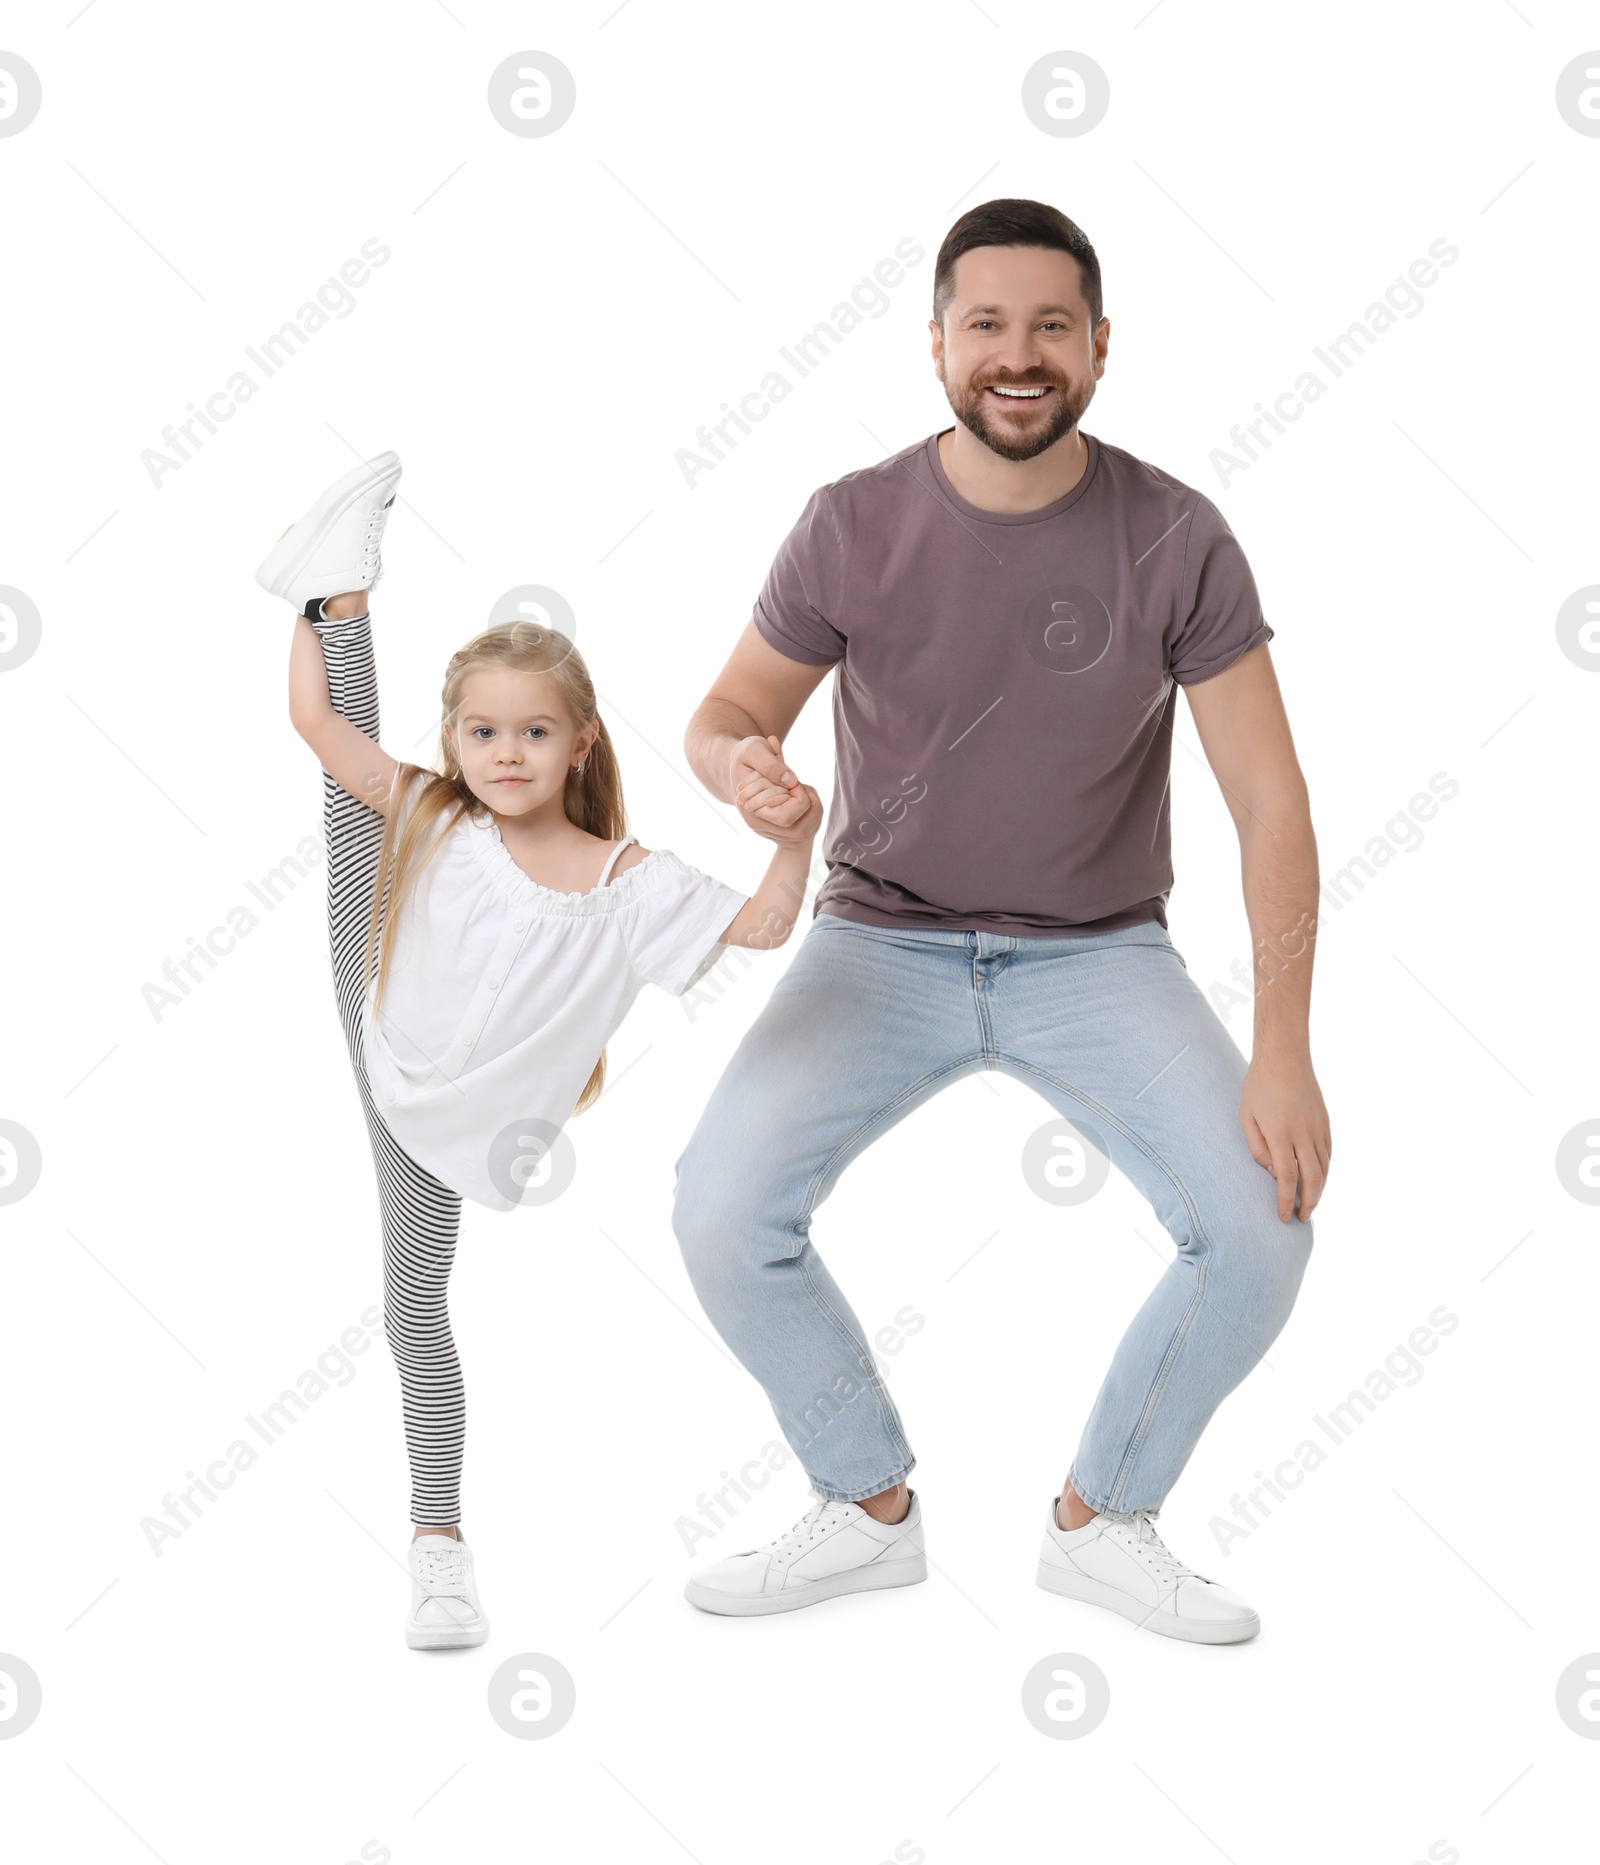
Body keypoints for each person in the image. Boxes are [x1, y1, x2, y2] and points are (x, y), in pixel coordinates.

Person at [671, 197, 1330, 1643]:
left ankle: (1105, 1517)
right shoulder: (851, 522)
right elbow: (723, 715)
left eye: (1051, 327)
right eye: (987, 325)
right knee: (721, 1213)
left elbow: (1270, 804)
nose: (1017, 356)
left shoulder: (1178, 536)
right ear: (936, 346)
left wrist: (1284, 1046)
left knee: (1260, 1229)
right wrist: (746, 769)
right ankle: (866, 1506)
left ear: (1100, 347)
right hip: (878, 941)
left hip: (1098, 954)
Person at [257, 452, 822, 1649]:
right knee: (415, 1301)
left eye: (528, 731)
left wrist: (795, 835)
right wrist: (311, 624)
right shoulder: (437, 808)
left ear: (577, 745)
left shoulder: (631, 885)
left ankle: (330, 593)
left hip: (448, 1099)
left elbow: (767, 928)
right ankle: (439, 1547)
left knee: (419, 1301)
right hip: (378, 987)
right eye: (479, 730)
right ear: (455, 738)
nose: (503, 752)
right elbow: (314, 723)